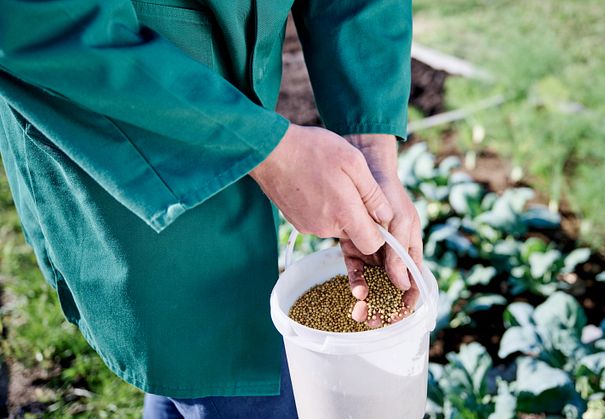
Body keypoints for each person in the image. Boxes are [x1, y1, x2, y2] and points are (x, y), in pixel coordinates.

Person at [0, 0, 420, 417]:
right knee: (200, 340)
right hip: (124, 125)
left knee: (201, 359)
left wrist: (370, 150)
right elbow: (41, 18)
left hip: (244, 112)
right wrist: (267, 152)